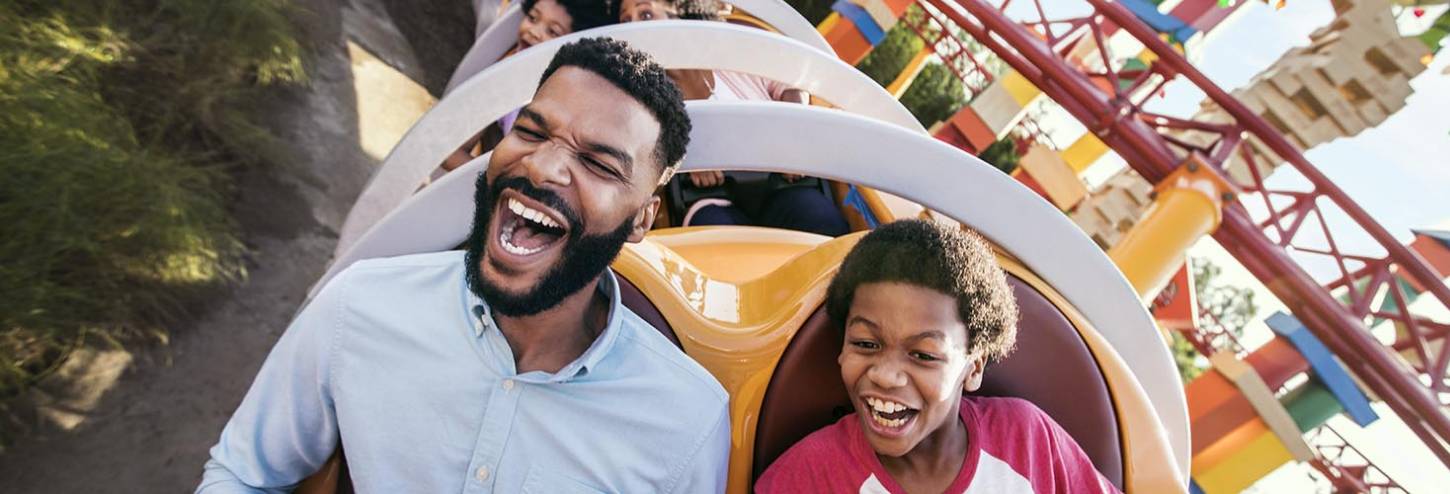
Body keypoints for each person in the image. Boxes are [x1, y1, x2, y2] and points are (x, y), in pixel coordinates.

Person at [199, 38, 729, 493]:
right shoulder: (358, 305)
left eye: (596, 163)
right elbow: (244, 473)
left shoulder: (688, 420)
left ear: (642, 218)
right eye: (532, 131)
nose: (542, 167)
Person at [755, 220, 1119, 493]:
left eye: (923, 355)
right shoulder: (806, 477)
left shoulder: (1026, 439)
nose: (886, 375)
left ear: (972, 367)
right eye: (866, 344)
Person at [615, 0, 850, 237]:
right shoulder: (643, 94)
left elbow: (791, 85)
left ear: (678, 13)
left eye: (645, 14)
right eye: (625, 20)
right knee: (718, 240)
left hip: (782, 181)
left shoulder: (732, 54)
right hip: (707, 197)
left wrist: (789, 139)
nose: (634, 25)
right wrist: (689, 159)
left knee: (823, 221)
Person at [440, 0, 613, 174]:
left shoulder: (575, 105)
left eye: (552, 31)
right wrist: (494, 182)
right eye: (532, 18)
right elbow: (450, 153)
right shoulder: (506, 75)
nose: (533, 31)